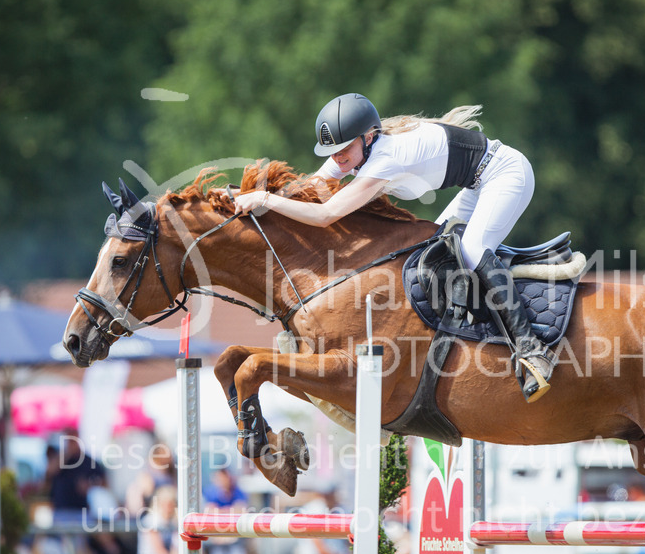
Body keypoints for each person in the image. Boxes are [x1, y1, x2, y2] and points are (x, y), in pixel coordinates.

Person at [232, 93, 553, 402]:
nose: (337, 158)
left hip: (505, 173)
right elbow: (313, 188)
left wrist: (263, 199)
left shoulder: (386, 157)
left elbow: (326, 215)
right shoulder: (358, 149)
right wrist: (244, 197)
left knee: (470, 249)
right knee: (433, 252)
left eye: (344, 149)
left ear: (368, 137)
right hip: (476, 184)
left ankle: (532, 349)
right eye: (332, 152)